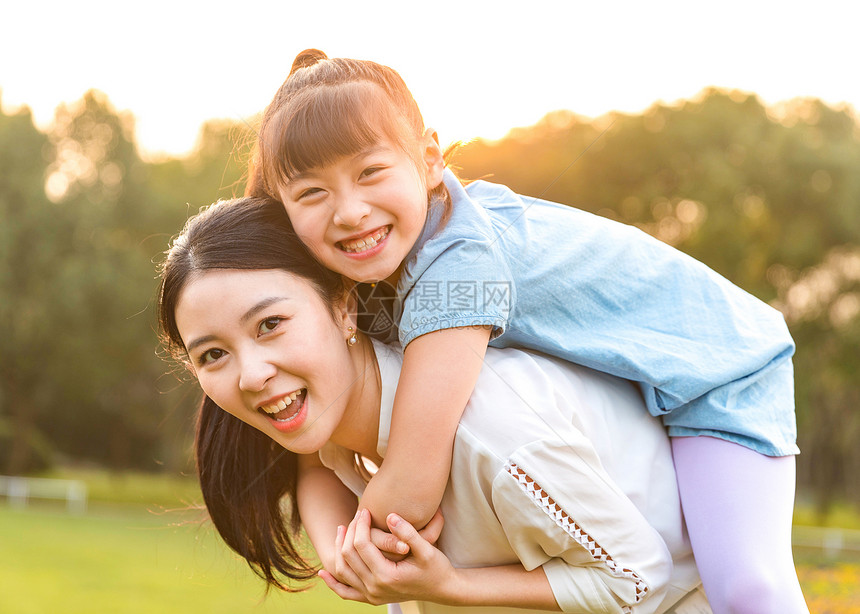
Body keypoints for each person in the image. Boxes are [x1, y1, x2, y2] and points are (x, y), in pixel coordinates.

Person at [246, 50, 808, 613]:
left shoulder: (461, 265)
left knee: (745, 589)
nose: (348, 211)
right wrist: (338, 549)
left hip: (716, 375)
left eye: (370, 172)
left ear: (430, 160)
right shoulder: (355, 273)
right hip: (629, 390)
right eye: (311, 193)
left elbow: (413, 482)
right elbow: (317, 449)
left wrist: (363, 553)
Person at [157, 196, 708, 613]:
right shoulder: (345, 448)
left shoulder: (493, 434)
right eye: (212, 355)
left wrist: (451, 586)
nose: (252, 375)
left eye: (271, 324)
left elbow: (640, 576)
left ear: (344, 307)